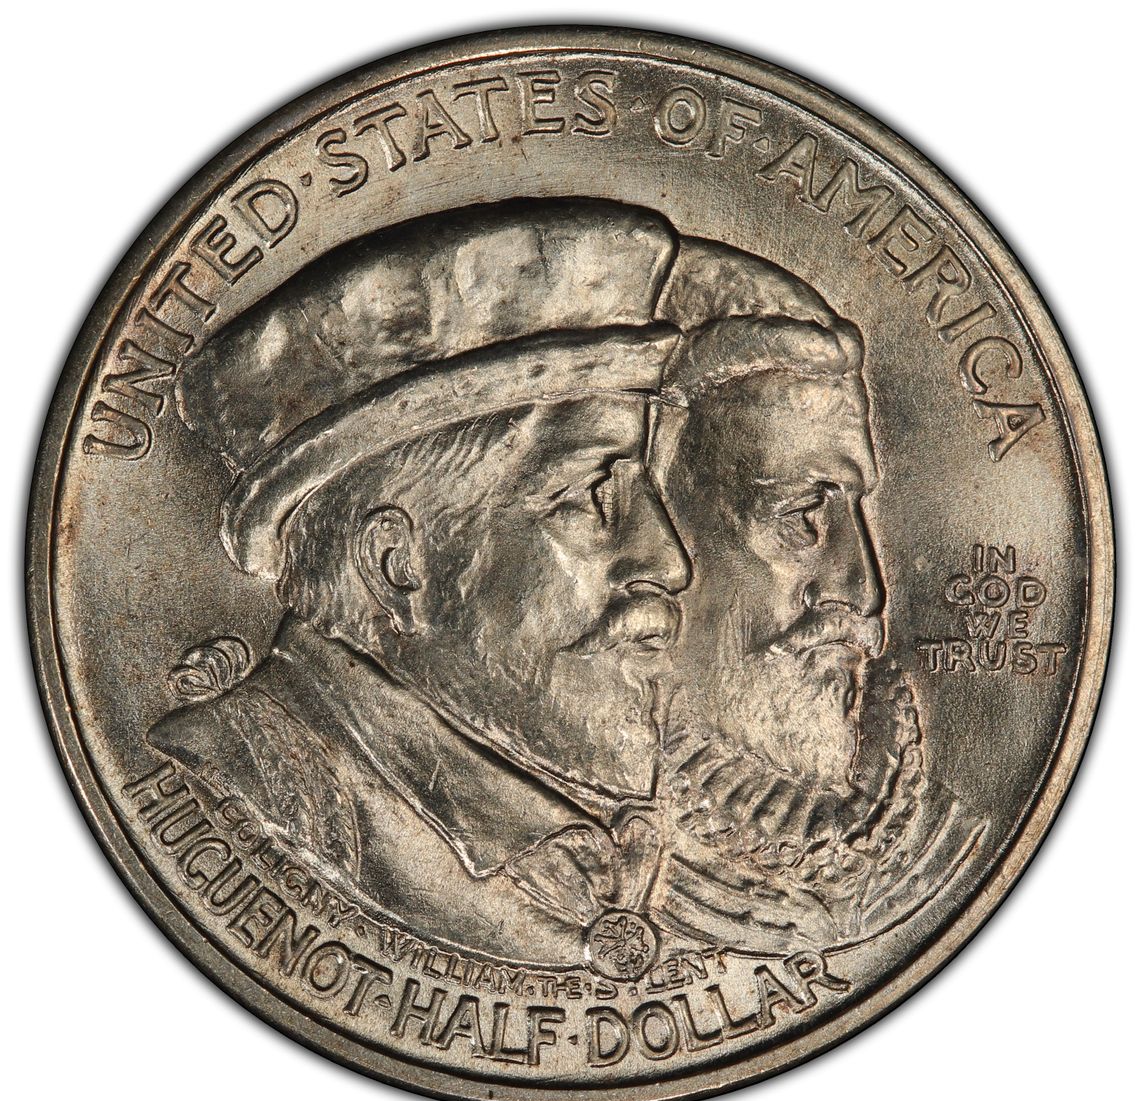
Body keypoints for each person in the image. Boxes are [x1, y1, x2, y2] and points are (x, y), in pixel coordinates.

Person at [149, 200, 693, 972]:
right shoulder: (248, 782)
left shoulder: (571, 821)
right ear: (397, 567)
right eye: (590, 496)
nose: (670, 561)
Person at [645, 236, 986, 954]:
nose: (864, 589)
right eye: (802, 513)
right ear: (657, 521)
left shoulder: (945, 853)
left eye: (855, 508)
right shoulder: (570, 863)